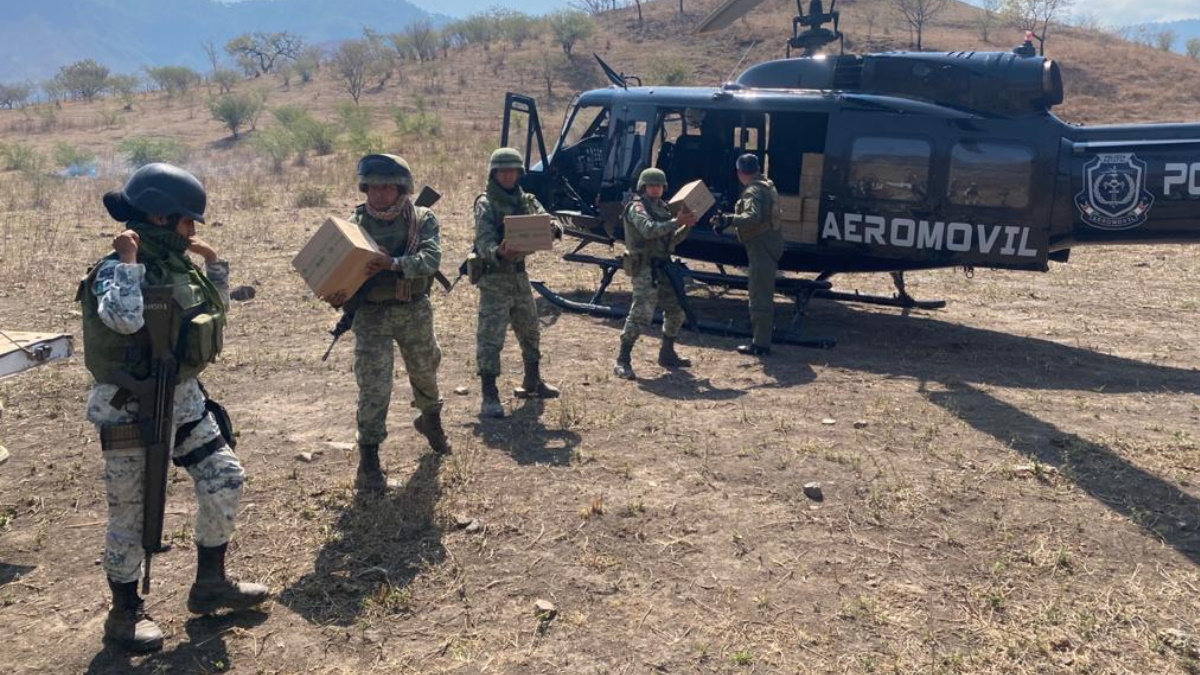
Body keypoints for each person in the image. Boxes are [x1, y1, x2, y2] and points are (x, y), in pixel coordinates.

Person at [80, 163, 269, 653]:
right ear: (160, 218)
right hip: (130, 408)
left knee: (225, 476)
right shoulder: (111, 269)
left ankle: (210, 585)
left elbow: (214, 312)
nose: (191, 231)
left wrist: (215, 263)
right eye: (187, 222)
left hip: (183, 401)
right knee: (132, 513)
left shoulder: (178, 265)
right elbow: (122, 321)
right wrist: (128, 262)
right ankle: (124, 613)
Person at [324, 154, 450, 491]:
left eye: (386, 188)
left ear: (402, 189)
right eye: (373, 188)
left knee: (425, 371)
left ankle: (431, 422)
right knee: (374, 386)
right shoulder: (353, 225)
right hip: (371, 315)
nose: (378, 194)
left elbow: (430, 259)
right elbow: (335, 272)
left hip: (413, 309)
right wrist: (336, 292)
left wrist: (391, 263)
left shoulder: (421, 219)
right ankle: (368, 463)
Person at [472, 148, 561, 419]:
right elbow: (483, 241)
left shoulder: (527, 199)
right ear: (494, 174)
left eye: (512, 171)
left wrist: (554, 228)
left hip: (520, 277)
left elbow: (547, 217)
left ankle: (533, 381)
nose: (508, 176)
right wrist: (498, 251)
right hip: (494, 278)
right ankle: (489, 395)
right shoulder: (485, 203)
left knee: (530, 330)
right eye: (503, 171)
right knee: (491, 338)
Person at [613, 168, 698, 380]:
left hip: (663, 266)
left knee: (677, 309)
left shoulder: (663, 208)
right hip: (644, 267)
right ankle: (622, 360)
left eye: (659, 186)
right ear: (643, 187)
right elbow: (649, 230)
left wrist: (686, 226)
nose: (655, 189)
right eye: (651, 185)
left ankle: (667, 352)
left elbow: (670, 240)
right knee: (641, 313)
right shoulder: (637, 207)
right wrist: (677, 222)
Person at [718, 153, 783, 356]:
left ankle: (760, 344)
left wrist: (730, 219)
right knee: (762, 291)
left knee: (759, 294)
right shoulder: (766, 185)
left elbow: (752, 217)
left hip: (761, 247)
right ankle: (761, 333)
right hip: (769, 244)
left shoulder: (753, 191)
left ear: (739, 173)